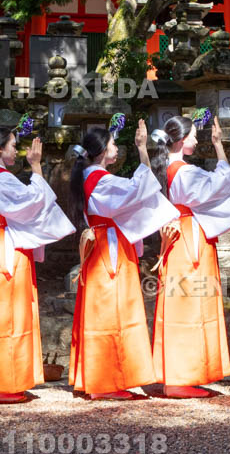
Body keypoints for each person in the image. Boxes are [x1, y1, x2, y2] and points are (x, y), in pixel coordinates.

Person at [0, 127, 75, 403]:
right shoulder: (0, 179)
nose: (17, 150)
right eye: (14, 145)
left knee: (2, 315)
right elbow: (32, 201)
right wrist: (36, 166)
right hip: (5, 251)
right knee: (6, 316)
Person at [68, 119, 179, 400]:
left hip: (103, 245)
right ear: (103, 150)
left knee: (105, 309)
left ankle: (102, 379)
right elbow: (135, 190)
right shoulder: (99, 179)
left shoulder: (91, 177)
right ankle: (106, 382)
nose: (116, 147)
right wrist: (143, 150)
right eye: (113, 143)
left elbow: (131, 193)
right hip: (109, 250)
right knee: (113, 310)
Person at [149, 116, 230, 397]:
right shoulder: (184, 171)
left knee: (179, 301)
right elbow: (224, 181)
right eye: (193, 136)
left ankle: (177, 376)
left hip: (177, 237)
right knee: (190, 303)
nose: (196, 140)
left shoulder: (164, 167)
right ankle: (181, 378)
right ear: (181, 140)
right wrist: (219, 147)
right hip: (189, 237)